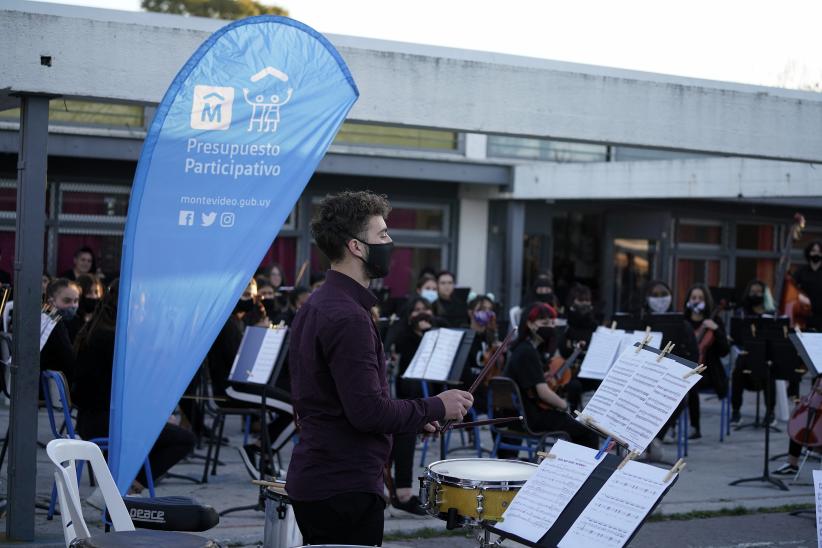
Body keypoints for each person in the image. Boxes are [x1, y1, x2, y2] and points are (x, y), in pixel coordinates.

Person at [286, 190, 472, 546]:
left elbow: (343, 401)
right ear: (356, 246)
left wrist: (417, 416)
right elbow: (367, 412)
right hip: (343, 485)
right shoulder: (347, 316)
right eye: (383, 234)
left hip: (324, 478)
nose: (390, 242)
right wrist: (437, 405)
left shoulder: (320, 303)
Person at [72, 280, 195, 490]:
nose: (143, 311)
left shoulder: (95, 329)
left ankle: (122, 486)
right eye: (140, 305)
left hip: (90, 418)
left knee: (164, 430)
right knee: (184, 440)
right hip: (105, 422)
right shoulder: (112, 339)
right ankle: (124, 489)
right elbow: (125, 392)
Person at [503, 302, 599, 450]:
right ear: (530, 324)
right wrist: (565, 405)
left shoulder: (522, 349)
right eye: (545, 322)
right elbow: (543, 393)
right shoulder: (528, 352)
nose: (551, 326)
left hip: (519, 415)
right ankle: (585, 469)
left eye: (552, 322)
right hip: (531, 418)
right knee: (587, 431)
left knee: (575, 426)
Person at [389, 296, 437, 515]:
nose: (421, 314)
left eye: (425, 309)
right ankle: (402, 492)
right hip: (406, 393)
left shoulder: (437, 334)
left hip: (429, 391)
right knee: (405, 422)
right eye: (416, 310)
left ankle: (398, 489)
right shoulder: (403, 336)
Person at [683, 284, 729, 439]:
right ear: (688, 300)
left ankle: (695, 428)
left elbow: (724, 351)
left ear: (706, 301)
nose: (696, 301)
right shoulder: (684, 322)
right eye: (693, 298)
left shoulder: (714, 321)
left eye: (700, 298)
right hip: (686, 370)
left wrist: (716, 329)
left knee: (691, 385)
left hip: (709, 373)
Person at [730, 279, 777, 426]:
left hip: (765, 355)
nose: (756, 294)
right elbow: (735, 337)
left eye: (759, 292)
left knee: (770, 372)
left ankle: (770, 413)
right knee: (737, 371)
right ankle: (736, 412)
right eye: (753, 291)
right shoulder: (741, 311)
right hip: (746, 353)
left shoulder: (771, 312)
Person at [560, 284, 600, 412]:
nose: (584, 304)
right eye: (580, 300)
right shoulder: (564, 325)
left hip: (590, 371)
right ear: (572, 302)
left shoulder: (595, 326)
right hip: (569, 372)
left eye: (587, 300)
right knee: (574, 385)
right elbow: (562, 351)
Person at [40, 279, 81, 384]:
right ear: (51, 302)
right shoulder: (54, 323)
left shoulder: (44, 315)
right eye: (67, 301)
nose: (73, 306)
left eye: (76, 301)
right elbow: (69, 361)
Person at [792, 240, 822, 330]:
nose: (816, 254)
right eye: (813, 251)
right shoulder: (801, 271)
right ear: (809, 253)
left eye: (819, 251)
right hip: (804, 314)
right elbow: (792, 288)